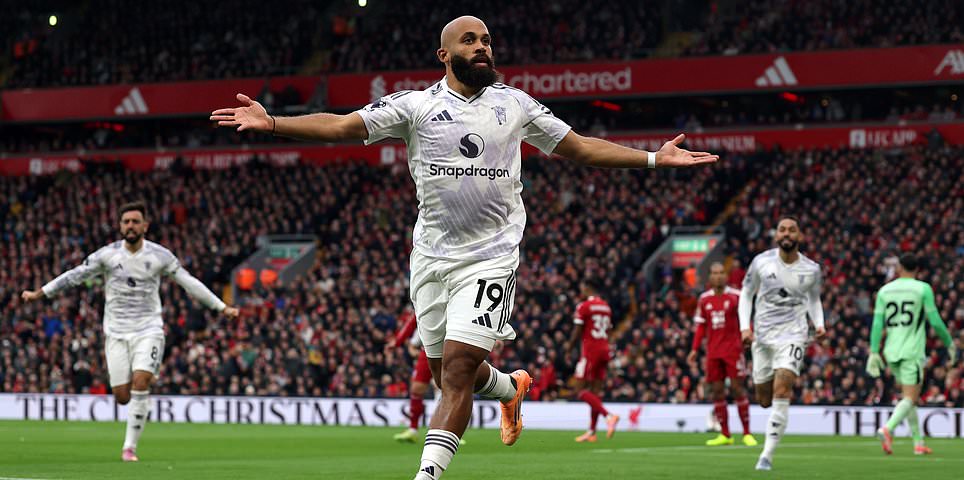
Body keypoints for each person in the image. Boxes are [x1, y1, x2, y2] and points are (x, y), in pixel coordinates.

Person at [210, 16, 717, 480]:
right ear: (444, 55)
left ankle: (427, 475)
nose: (482, 48)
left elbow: (580, 146)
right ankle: (509, 387)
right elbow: (342, 125)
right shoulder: (415, 105)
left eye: (487, 41)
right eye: (470, 41)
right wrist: (273, 122)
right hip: (431, 259)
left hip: (491, 257)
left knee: (454, 370)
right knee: (451, 375)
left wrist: (652, 158)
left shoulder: (515, 105)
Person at [21, 201, 239, 462]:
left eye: (136, 221)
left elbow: (189, 283)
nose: (131, 226)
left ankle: (129, 448)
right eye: (126, 222)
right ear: (120, 226)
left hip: (149, 329)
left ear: (145, 226)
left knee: (141, 382)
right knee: (122, 396)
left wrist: (221, 307)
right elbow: (74, 275)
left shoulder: (160, 256)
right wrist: (41, 293)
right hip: (115, 332)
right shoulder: (107, 255)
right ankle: (143, 389)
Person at [738, 216, 824, 471]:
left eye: (792, 230)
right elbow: (746, 294)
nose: (787, 234)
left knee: (783, 388)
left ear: (800, 236)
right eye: (782, 230)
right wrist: (745, 327)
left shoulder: (811, 269)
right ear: (776, 235)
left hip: (793, 334)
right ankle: (769, 437)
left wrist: (819, 323)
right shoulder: (761, 262)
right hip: (762, 337)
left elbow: (814, 299)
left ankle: (766, 456)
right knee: (764, 399)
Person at [866, 253, 957, 455]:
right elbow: (934, 321)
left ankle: (918, 443)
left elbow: (877, 323)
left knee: (909, 398)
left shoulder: (884, 291)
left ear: (899, 268)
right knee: (910, 397)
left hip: (890, 350)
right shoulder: (922, 289)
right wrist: (949, 343)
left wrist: (874, 351)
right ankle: (887, 429)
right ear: (917, 269)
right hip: (911, 350)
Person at [687, 262, 756, 446]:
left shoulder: (736, 296)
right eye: (714, 273)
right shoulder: (704, 299)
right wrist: (694, 349)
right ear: (710, 277)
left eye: (720, 273)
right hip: (713, 353)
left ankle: (747, 433)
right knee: (717, 392)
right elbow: (701, 326)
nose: (718, 276)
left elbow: (745, 319)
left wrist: (749, 332)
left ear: (726, 276)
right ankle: (725, 434)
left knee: (737, 388)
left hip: (733, 351)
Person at [565, 279, 619, 442]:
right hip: (604, 349)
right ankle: (592, 431)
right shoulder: (606, 307)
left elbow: (577, 330)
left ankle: (608, 415)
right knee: (595, 393)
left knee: (579, 390)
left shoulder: (584, 306)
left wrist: (568, 349)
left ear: (587, 288)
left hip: (591, 351)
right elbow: (608, 330)